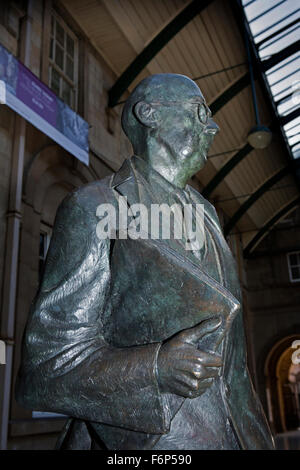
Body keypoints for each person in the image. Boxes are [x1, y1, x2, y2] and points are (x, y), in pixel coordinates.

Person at [16, 73, 275, 450]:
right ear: (149, 114)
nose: (214, 127)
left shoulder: (209, 216)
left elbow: (236, 373)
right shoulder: (94, 208)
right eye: (200, 113)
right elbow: (45, 368)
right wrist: (155, 367)